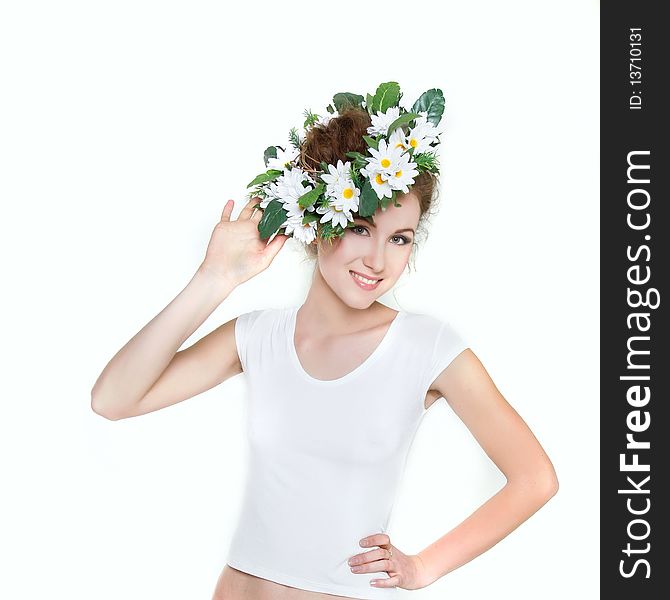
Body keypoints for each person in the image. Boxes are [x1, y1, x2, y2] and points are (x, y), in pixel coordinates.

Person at [91, 84, 559, 600]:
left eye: (399, 237)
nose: (379, 260)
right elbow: (113, 399)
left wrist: (422, 567)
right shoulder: (259, 337)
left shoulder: (427, 350)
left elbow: (534, 478)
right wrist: (215, 279)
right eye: (360, 228)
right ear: (316, 225)